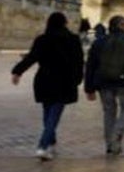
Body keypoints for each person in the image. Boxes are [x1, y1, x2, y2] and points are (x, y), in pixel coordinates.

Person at [11, 12, 84, 161]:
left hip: (44, 79)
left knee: (48, 111)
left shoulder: (42, 39)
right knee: (54, 115)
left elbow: (32, 57)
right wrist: (78, 79)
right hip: (64, 81)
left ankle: (51, 141)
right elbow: (79, 61)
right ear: (65, 23)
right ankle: (43, 146)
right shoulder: (73, 40)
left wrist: (17, 72)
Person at [85, 15, 124, 156]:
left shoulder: (99, 42)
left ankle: (110, 144)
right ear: (121, 25)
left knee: (109, 112)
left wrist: (89, 88)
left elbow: (90, 66)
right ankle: (117, 134)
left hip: (104, 82)